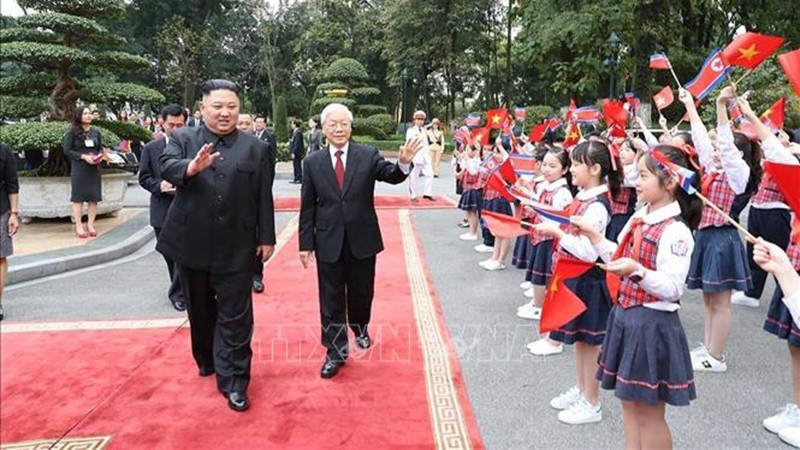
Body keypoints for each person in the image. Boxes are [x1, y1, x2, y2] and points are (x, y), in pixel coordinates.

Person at [157, 79, 276, 412]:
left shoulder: (255, 147)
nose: (225, 113)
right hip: (192, 243)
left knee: (237, 318)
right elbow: (165, 165)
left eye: (232, 107)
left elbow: (262, 195)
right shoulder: (182, 139)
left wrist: (266, 237)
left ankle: (236, 380)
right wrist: (190, 168)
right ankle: (207, 357)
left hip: (237, 246)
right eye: (218, 106)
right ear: (202, 108)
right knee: (201, 311)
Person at [572, 144, 701, 448]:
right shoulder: (640, 217)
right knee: (628, 404)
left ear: (669, 182)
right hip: (627, 317)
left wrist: (637, 271)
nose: (636, 181)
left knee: (650, 412)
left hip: (653, 324)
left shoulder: (676, 230)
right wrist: (595, 238)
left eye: (643, 175)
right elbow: (618, 255)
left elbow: (672, 288)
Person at [298, 103, 423, 379]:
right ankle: (335, 351)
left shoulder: (367, 155)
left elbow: (391, 176)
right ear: (324, 128)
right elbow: (307, 206)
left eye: (344, 124)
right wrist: (305, 243)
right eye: (333, 124)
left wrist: (403, 162)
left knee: (361, 292)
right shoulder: (313, 162)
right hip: (328, 239)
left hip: (362, 239)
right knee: (330, 299)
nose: (339, 129)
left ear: (351, 127)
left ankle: (360, 326)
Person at [530, 140, 620, 424]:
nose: (573, 170)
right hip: (575, 276)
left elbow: (589, 250)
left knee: (591, 342)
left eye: (578, 164)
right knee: (581, 340)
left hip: (590, 279)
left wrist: (558, 232)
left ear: (595, 168)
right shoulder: (583, 196)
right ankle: (582, 390)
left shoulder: (597, 206)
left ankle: (592, 402)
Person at [680, 87, 754, 373]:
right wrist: (691, 107)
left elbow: (723, 144)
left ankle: (717, 356)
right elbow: (701, 141)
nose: (719, 150)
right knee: (709, 297)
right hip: (706, 236)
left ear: (740, 153)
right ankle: (709, 346)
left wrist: (722, 106)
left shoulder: (738, 174)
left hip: (723, 238)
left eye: (727, 149)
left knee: (721, 301)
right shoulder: (713, 168)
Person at [138, 104, 187, 312]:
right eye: (171, 125)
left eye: (180, 125)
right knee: (170, 253)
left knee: (184, 253)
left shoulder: (193, 145)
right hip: (162, 208)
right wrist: (159, 186)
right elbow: (144, 177)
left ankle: (179, 294)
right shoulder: (151, 149)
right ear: (162, 122)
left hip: (188, 208)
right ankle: (180, 290)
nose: (175, 129)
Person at [517, 147, 573, 323]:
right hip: (539, 234)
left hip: (549, 238)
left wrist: (535, 209)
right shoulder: (545, 186)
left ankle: (539, 307)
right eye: (545, 165)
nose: (546, 169)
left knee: (541, 273)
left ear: (564, 170)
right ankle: (536, 302)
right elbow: (539, 202)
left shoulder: (562, 192)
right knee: (536, 271)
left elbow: (557, 219)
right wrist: (528, 194)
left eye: (553, 166)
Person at [63, 106, 105, 238]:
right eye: (85, 113)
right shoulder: (72, 133)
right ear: (79, 116)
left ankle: (91, 224)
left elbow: (100, 148)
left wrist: (100, 156)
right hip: (80, 168)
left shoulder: (96, 132)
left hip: (94, 168)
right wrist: (83, 157)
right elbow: (67, 150)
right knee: (78, 197)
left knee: (93, 198)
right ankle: (79, 226)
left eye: (90, 113)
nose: (89, 115)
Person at [252, 115, 277, 294]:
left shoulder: (262, 145)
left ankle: (256, 276)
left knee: (255, 244)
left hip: (253, 206)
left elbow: (270, 166)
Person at [0, 141, 19, 322]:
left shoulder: (4, 149)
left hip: (1, 209)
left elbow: (12, 184)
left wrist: (14, 213)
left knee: (0, 257)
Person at [455, 143, 482, 241]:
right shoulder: (471, 160)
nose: (466, 152)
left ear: (475, 151)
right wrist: (460, 159)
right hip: (467, 187)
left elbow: (473, 172)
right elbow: (462, 167)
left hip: (473, 188)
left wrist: (466, 160)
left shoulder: (478, 161)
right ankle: (471, 231)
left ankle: (473, 233)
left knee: (472, 211)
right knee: (469, 212)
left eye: (468, 150)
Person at [406, 110, 434, 201]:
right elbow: (409, 143)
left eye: (422, 119)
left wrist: (428, 154)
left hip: (425, 156)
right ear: (415, 120)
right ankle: (413, 195)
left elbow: (426, 143)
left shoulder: (424, 130)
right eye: (418, 119)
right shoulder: (410, 131)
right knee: (413, 176)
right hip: (416, 156)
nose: (420, 121)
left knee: (430, 174)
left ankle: (427, 193)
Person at [290, 119, 304, 184]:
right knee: (295, 165)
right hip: (296, 151)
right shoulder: (295, 132)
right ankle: (296, 178)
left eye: (292, 124)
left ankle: (299, 178)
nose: (291, 125)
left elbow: (297, 143)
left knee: (297, 165)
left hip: (297, 152)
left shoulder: (298, 132)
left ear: (295, 124)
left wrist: (294, 152)